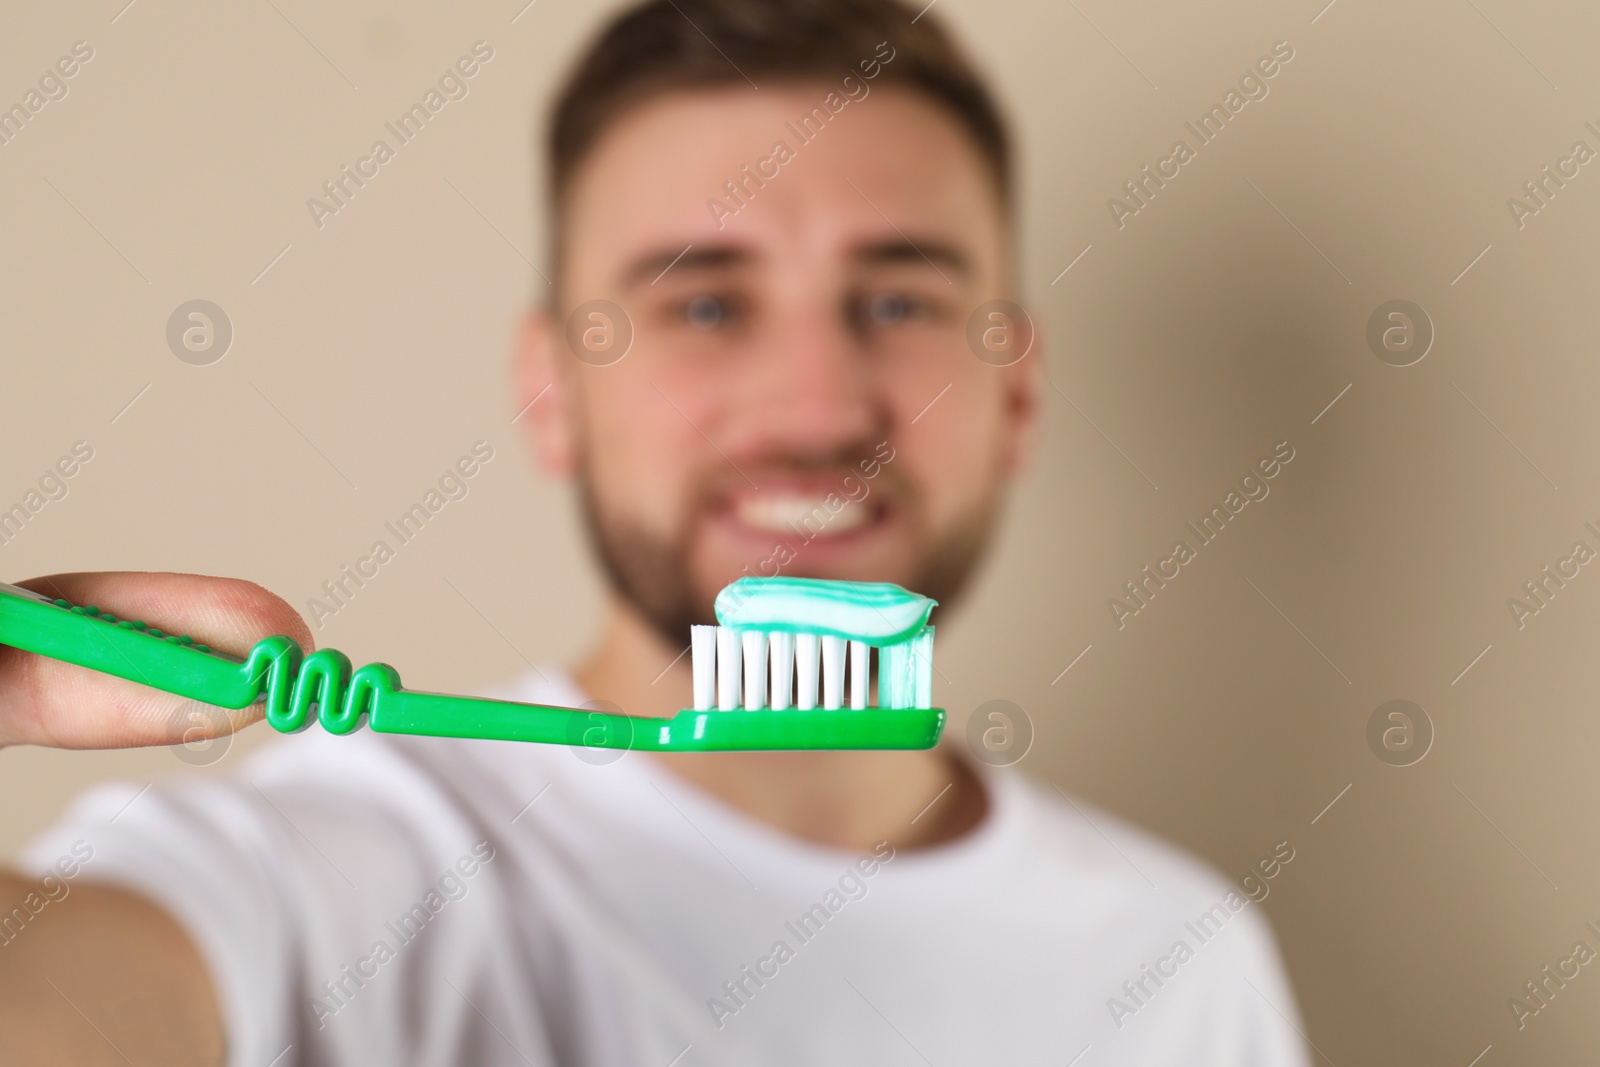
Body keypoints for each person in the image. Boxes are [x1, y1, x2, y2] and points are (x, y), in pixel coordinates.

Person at [0, 0, 1311, 1063]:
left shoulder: (1188, 962)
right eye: (703, 306)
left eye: (900, 301)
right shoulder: (349, 869)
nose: (815, 404)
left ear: (1017, 395)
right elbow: (81, 998)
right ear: (548, 395)